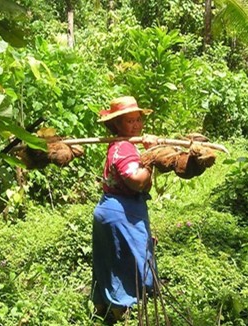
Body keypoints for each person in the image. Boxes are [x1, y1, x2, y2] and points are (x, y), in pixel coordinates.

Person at [91, 96, 159, 323]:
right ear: (117, 125)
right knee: (132, 261)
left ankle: (101, 309)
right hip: (122, 213)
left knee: (110, 260)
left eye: (138, 119)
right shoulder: (124, 147)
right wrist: (152, 156)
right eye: (130, 121)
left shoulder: (120, 145)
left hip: (110, 210)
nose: (137, 125)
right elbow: (136, 181)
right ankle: (123, 311)